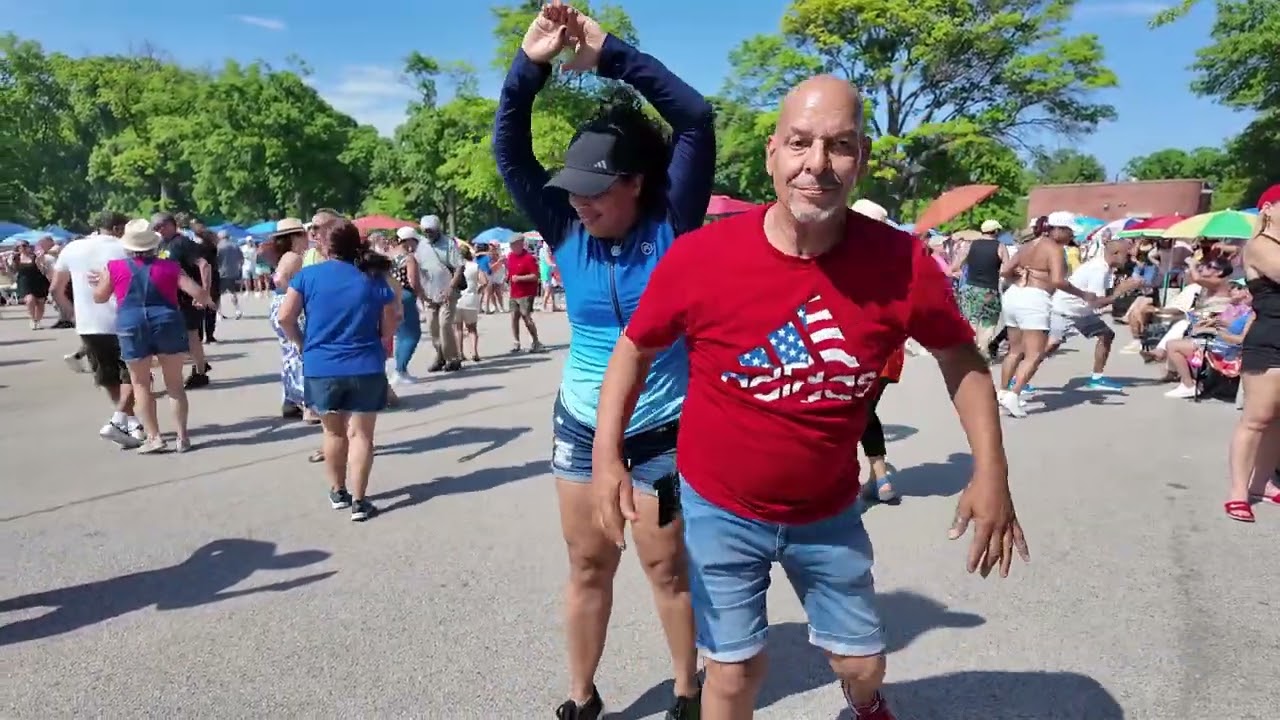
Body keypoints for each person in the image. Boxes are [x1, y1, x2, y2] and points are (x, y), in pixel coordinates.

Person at [593, 74, 1027, 720]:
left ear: (863, 160)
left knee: (860, 663)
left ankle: (866, 703)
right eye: (799, 143)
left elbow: (960, 357)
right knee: (734, 673)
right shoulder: (700, 258)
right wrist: (607, 456)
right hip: (720, 507)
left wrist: (992, 470)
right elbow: (633, 348)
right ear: (773, 153)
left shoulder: (902, 264)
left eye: (839, 146)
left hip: (827, 511)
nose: (816, 165)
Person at [494, 2, 715, 717]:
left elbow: (695, 118)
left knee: (666, 566)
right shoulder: (562, 228)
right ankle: (582, 697)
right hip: (581, 433)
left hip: (666, 440)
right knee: (589, 562)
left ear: (634, 185)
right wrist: (530, 68)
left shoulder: (673, 224)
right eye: (572, 192)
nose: (580, 205)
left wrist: (608, 52)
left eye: (595, 192)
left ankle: (687, 690)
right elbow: (510, 150)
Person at [276, 218, 400, 522]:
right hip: (365, 363)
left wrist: (303, 345)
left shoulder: (307, 276)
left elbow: (284, 317)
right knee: (362, 436)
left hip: (321, 365)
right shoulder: (372, 277)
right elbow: (392, 319)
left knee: (333, 433)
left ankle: (338, 491)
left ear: (323, 245)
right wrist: (380, 336)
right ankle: (360, 501)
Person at [94, 219, 214, 453]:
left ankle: (155, 437)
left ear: (127, 246)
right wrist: (204, 300)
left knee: (140, 384)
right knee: (175, 385)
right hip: (168, 321)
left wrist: (101, 282)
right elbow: (197, 292)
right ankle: (182, 437)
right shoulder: (170, 266)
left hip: (131, 324)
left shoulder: (114, 267)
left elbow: (99, 297)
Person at [50, 210, 145, 447]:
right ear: (116, 229)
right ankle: (118, 420)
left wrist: (71, 313)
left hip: (88, 323)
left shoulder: (71, 248)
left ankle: (130, 423)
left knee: (108, 374)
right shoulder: (125, 248)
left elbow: (55, 289)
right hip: (123, 319)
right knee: (135, 374)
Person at [997, 212, 1097, 418]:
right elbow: (1059, 281)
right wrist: (1083, 294)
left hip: (1014, 295)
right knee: (1035, 353)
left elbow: (1005, 270)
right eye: (1069, 232)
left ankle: (1003, 391)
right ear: (1058, 230)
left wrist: (1020, 275)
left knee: (1015, 351)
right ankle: (1013, 395)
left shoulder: (1028, 245)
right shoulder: (1055, 249)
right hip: (1034, 299)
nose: (1071, 237)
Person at [1226, 185, 1280, 522]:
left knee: (1278, 419)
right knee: (1257, 419)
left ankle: (1264, 483)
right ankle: (1238, 491)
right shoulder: (1260, 246)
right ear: (1269, 209)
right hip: (1269, 339)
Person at [1045, 240, 1143, 390]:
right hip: (1065, 310)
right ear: (1116, 254)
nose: (1129, 259)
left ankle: (1097, 378)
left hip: (1081, 311)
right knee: (1051, 345)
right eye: (1127, 255)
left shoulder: (1106, 268)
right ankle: (1018, 377)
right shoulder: (1099, 270)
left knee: (1106, 334)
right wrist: (1120, 291)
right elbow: (1096, 303)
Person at [153, 212, 212, 388]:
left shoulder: (183, 243)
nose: (158, 230)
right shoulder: (163, 244)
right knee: (182, 336)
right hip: (170, 297)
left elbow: (204, 265)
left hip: (187, 297)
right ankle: (200, 363)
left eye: (160, 226)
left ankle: (200, 372)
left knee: (192, 334)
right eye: (155, 228)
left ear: (170, 224)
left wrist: (204, 293)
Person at [267, 219, 311, 418]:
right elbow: (280, 279)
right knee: (298, 350)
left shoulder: (286, 256)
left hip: (279, 303)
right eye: (303, 234)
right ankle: (305, 402)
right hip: (289, 304)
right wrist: (293, 292)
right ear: (295, 237)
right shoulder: (294, 257)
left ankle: (290, 400)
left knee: (289, 352)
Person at [949, 219, 1009, 359]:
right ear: (996, 232)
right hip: (989, 290)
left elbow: (954, 266)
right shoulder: (1000, 246)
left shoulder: (970, 245)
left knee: (971, 320)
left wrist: (961, 273)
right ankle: (982, 350)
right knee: (988, 322)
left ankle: (969, 351)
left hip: (970, 289)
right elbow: (1006, 269)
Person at [415, 214, 464, 372]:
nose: (428, 233)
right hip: (429, 293)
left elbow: (459, 267)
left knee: (444, 325)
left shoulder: (448, 244)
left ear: (437, 230)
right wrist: (421, 292)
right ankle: (440, 356)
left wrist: (450, 287)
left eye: (431, 231)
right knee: (433, 327)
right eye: (425, 231)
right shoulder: (421, 245)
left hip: (447, 292)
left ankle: (453, 359)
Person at [389, 227, 427, 383]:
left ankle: (401, 369)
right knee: (413, 334)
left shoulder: (389, 256)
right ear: (408, 240)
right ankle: (400, 369)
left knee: (401, 335)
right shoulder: (408, 258)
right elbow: (413, 281)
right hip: (405, 295)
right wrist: (423, 296)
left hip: (391, 295)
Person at [504, 234, 545, 352]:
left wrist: (520, 278)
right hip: (514, 292)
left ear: (520, 244)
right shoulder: (510, 256)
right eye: (511, 245)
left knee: (526, 316)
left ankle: (536, 341)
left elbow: (535, 276)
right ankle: (516, 342)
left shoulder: (529, 258)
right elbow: (511, 272)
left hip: (526, 293)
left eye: (513, 245)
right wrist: (507, 278)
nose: (511, 247)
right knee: (514, 317)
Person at [7, 239, 51, 329]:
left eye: (24, 246)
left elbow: (43, 269)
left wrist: (40, 261)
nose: (22, 248)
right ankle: (32, 319)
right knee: (30, 300)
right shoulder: (16, 259)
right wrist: (7, 263)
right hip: (24, 282)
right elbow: (12, 271)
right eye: (20, 246)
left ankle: (38, 320)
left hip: (39, 281)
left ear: (28, 247)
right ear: (17, 248)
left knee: (40, 303)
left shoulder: (35, 257)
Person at [455, 245, 486, 362]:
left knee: (458, 328)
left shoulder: (455, 266)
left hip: (457, 299)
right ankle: (474, 352)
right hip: (471, 299)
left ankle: (460, 353)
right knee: (472, 328)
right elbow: (484, 282)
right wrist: (477, 291)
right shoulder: (475, 266)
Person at [215, 231, 244, 320]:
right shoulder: (235, 245)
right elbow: (241, 259)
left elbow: (216, 259)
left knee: (217, 294)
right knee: (232, 292)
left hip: (221, 272)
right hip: (233, 272)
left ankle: (219, 313)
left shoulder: (218, 247)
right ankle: (237, 310)